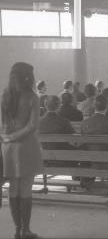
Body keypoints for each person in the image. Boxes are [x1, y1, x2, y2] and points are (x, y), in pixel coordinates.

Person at [1, 62, 42, 239]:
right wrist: (15, 136)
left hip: (7, 148)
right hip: (26, 147)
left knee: (13, 189)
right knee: (25, 189)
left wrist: (6, 137)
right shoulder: (33, 97)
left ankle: (17, 230)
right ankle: (26, 230)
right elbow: (32, 126)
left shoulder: (4, 95)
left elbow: (3, 125)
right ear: (28, 77)